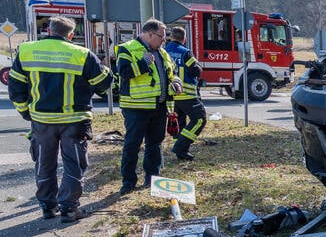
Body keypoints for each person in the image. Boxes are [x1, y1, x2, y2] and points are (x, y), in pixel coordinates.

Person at [8, 16, 113, 222]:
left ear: (49, 31)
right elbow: (102, 85)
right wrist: (107, 70)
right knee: (73, 163)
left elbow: (15, 87)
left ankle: (47, 207)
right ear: (71, 35)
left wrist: (26, 112)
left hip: (42, 120)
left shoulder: (27, 50)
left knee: (44, 163)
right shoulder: (82, 54)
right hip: (74, 120)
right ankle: (69, 208)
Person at [116, 19, 182, 195]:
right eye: (161, 36)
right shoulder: (127, 48)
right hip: (136, 107)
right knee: (132, 145)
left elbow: (172, 72)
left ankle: (153, 179)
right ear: (150, 34)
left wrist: (176, 82)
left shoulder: (163, 52)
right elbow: (124, 73)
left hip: (159, 106)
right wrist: (143, 64)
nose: (164, 40)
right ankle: (128, 182)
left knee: (155, 144)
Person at [164, 26, 206, 161]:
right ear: (184, 39)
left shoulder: (162, 52)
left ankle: (181, 153)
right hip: (187, 95)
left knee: (181, 123)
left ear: (170, 37)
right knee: (199, 120)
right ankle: (180, 147)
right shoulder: (185, 52)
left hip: (171, 96)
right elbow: (196, 70)